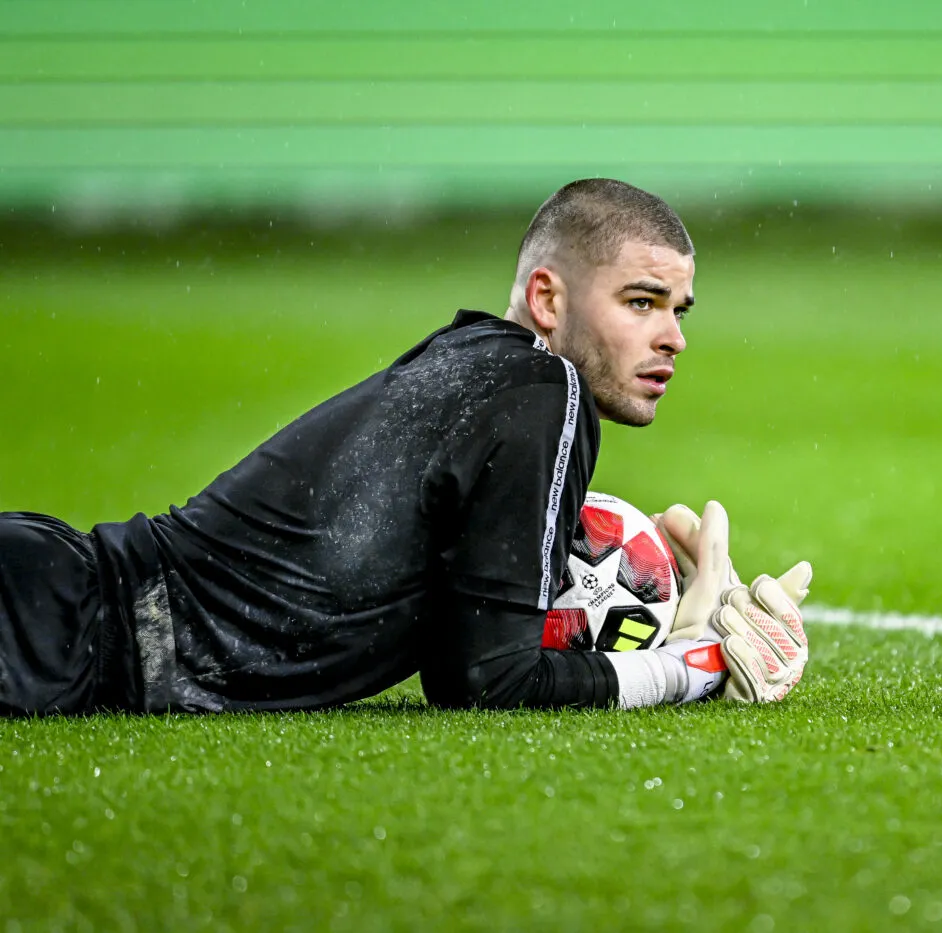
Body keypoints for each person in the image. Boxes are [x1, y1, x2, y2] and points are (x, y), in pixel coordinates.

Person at [0, 178, 811, 717]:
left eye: (679, 310)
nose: (672, 337)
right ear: (547, 298)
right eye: (641, 302)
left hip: (57, 600)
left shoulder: (479, 361)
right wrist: (695, 664)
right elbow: (487, 678)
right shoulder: (547, 391)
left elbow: (469, 623)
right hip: (58, 628)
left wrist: (651, 598)